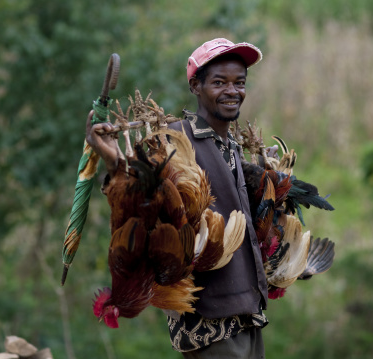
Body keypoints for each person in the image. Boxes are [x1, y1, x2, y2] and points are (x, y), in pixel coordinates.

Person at [86, 38, 270, 358]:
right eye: (219, 82)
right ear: (196, 86)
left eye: (239, 82)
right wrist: (114, 160)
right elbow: (138, 196)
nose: (232, 90)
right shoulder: (174, 139)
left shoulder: (233, 148)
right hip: (207, 321)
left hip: (248, 312)